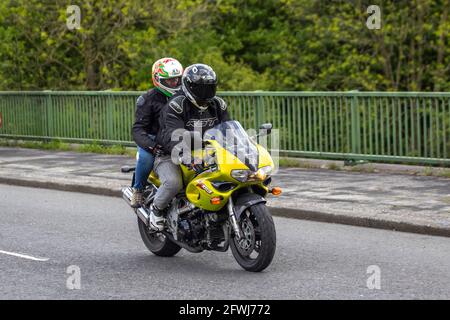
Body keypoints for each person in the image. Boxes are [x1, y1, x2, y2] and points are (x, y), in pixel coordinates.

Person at [148, 63, 230, 231]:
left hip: (207, 153)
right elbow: (172, 136)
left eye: (209, 88)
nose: (205, 93)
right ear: (189, 86)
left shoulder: (218, 105)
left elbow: (228, 130)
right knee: (173, 182)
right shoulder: (176, 105)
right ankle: (155, 210)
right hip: (169, 154)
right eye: (200, 88)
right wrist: (186, 157)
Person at [130, 57, 183, 208]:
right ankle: (138, 189)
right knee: (146, 159)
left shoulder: (184, 96)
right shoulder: (147, 99)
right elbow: (138, 129)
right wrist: (151, 146)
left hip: (177, 139)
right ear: (158, 79)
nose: (174, 83)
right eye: (170, 80)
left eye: (177, 79)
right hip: (154, 140)